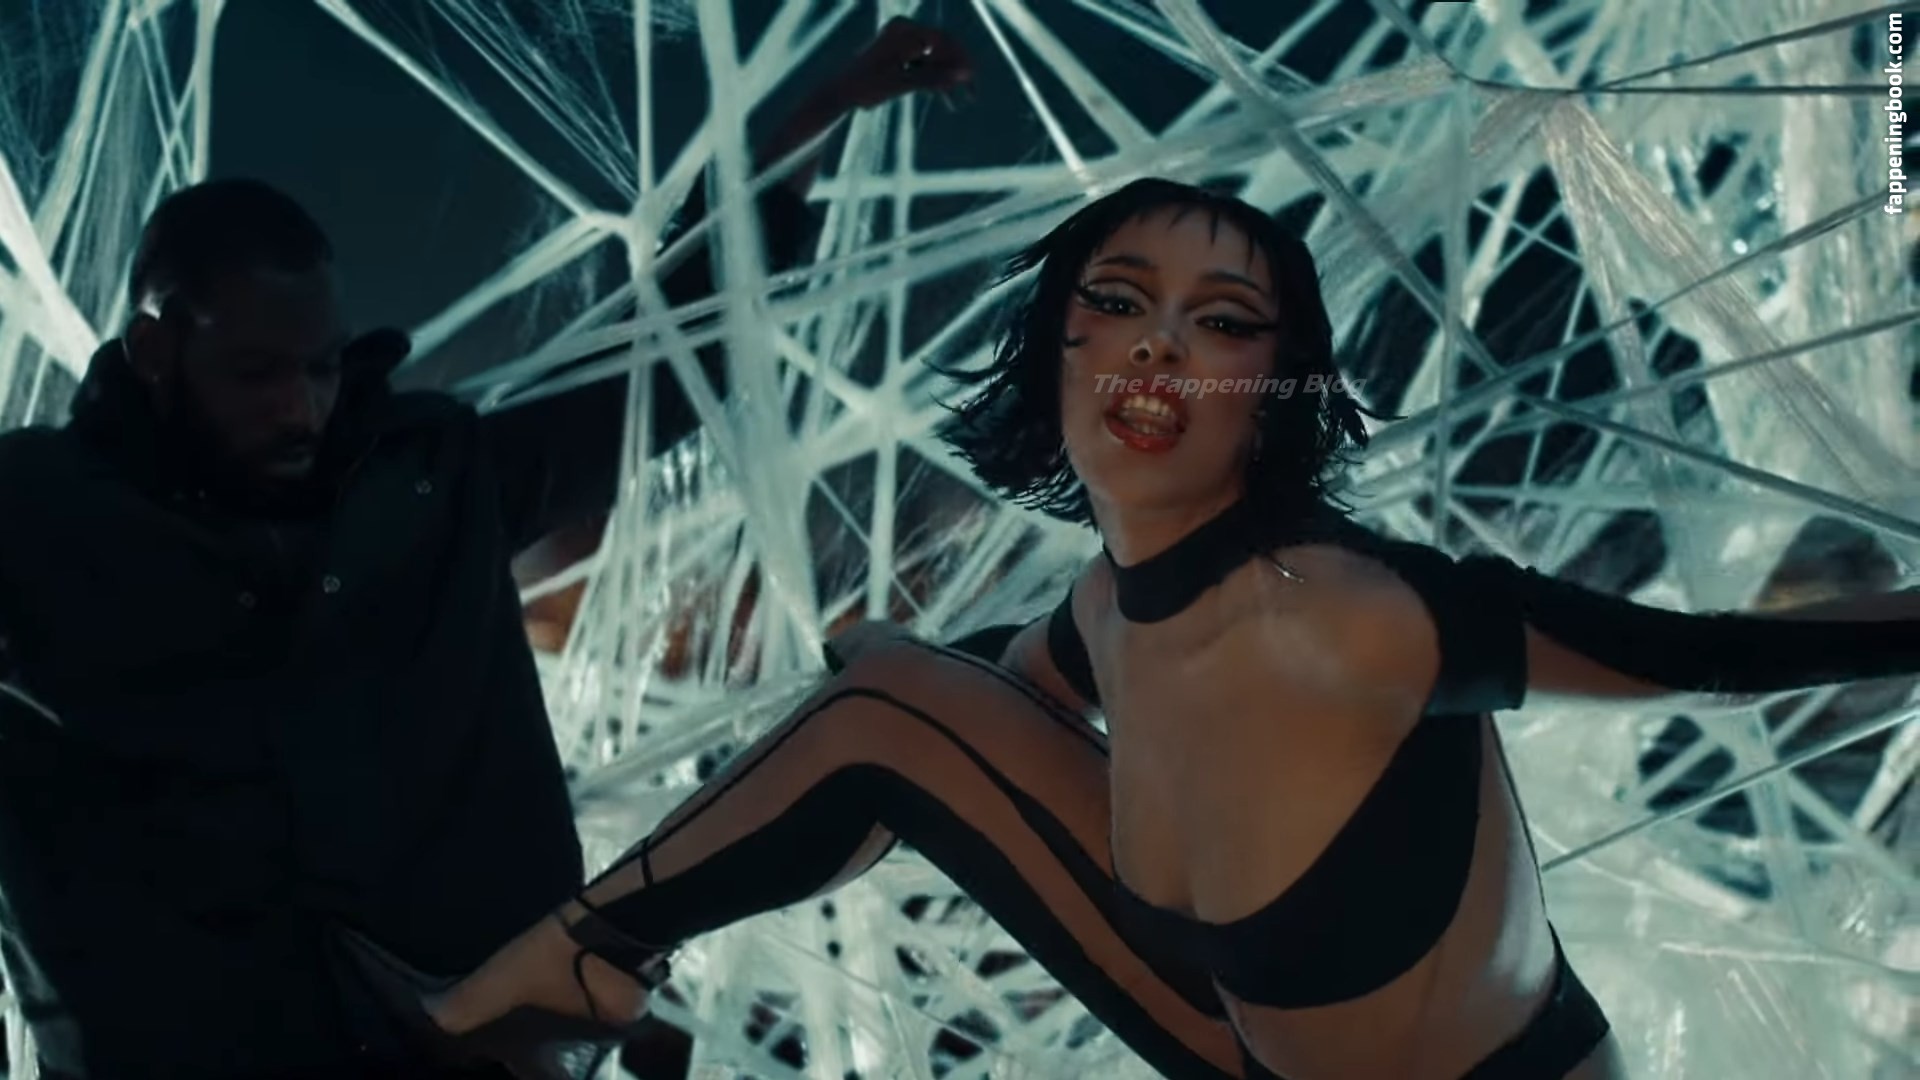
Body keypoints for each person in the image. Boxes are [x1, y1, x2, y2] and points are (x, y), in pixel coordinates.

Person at [343, 179, 1920, 1080]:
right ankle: (563, 983)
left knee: (891, 706)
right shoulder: (1108, 611)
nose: (1159, 346)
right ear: (1054, 351)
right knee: (890, 698)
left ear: (1275, 392)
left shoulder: (1348, 619)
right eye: (1117, 300)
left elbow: (1717, 656)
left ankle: (553, 991)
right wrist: (869, 656)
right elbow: (964, 718)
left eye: (1223, 321)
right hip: (1242, 1049)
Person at [0, 20, 970, 1079]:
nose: (302, 408)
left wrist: (810, 123)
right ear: (154, 349)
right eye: (258, 374)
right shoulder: (39, 519)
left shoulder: (430, 476)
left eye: (322, 368)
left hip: (461, 1050)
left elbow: (662, 360)